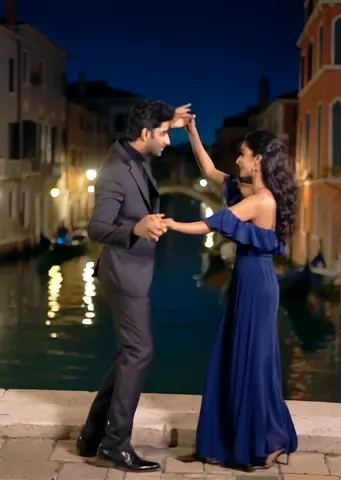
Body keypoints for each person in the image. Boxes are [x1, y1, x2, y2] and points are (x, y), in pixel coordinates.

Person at [162, 116, 299, 470]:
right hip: (246, 280)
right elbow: (208, 171)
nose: (237, 160)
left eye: (243, 154)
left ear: (259, 161)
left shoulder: (262, 201)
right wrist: (192, 131)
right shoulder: (247, 191)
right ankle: (225, 441)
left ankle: (262, 442)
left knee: (252, 363)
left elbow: (213, 223)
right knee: (233, 357)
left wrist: (170, 223)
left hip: (258, 286)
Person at [78, 99, 191, 472]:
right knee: (140, 352)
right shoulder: (114, 171)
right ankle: (115, 444)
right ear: (144, 134)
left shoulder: (132, 154)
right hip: (124, 274)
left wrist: (170, 121)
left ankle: (93, 434)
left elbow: (152, 132)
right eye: (162, 134)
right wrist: (137, 229)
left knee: (129, 351)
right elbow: (96, 228)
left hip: (134, 271)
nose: (168, 141)